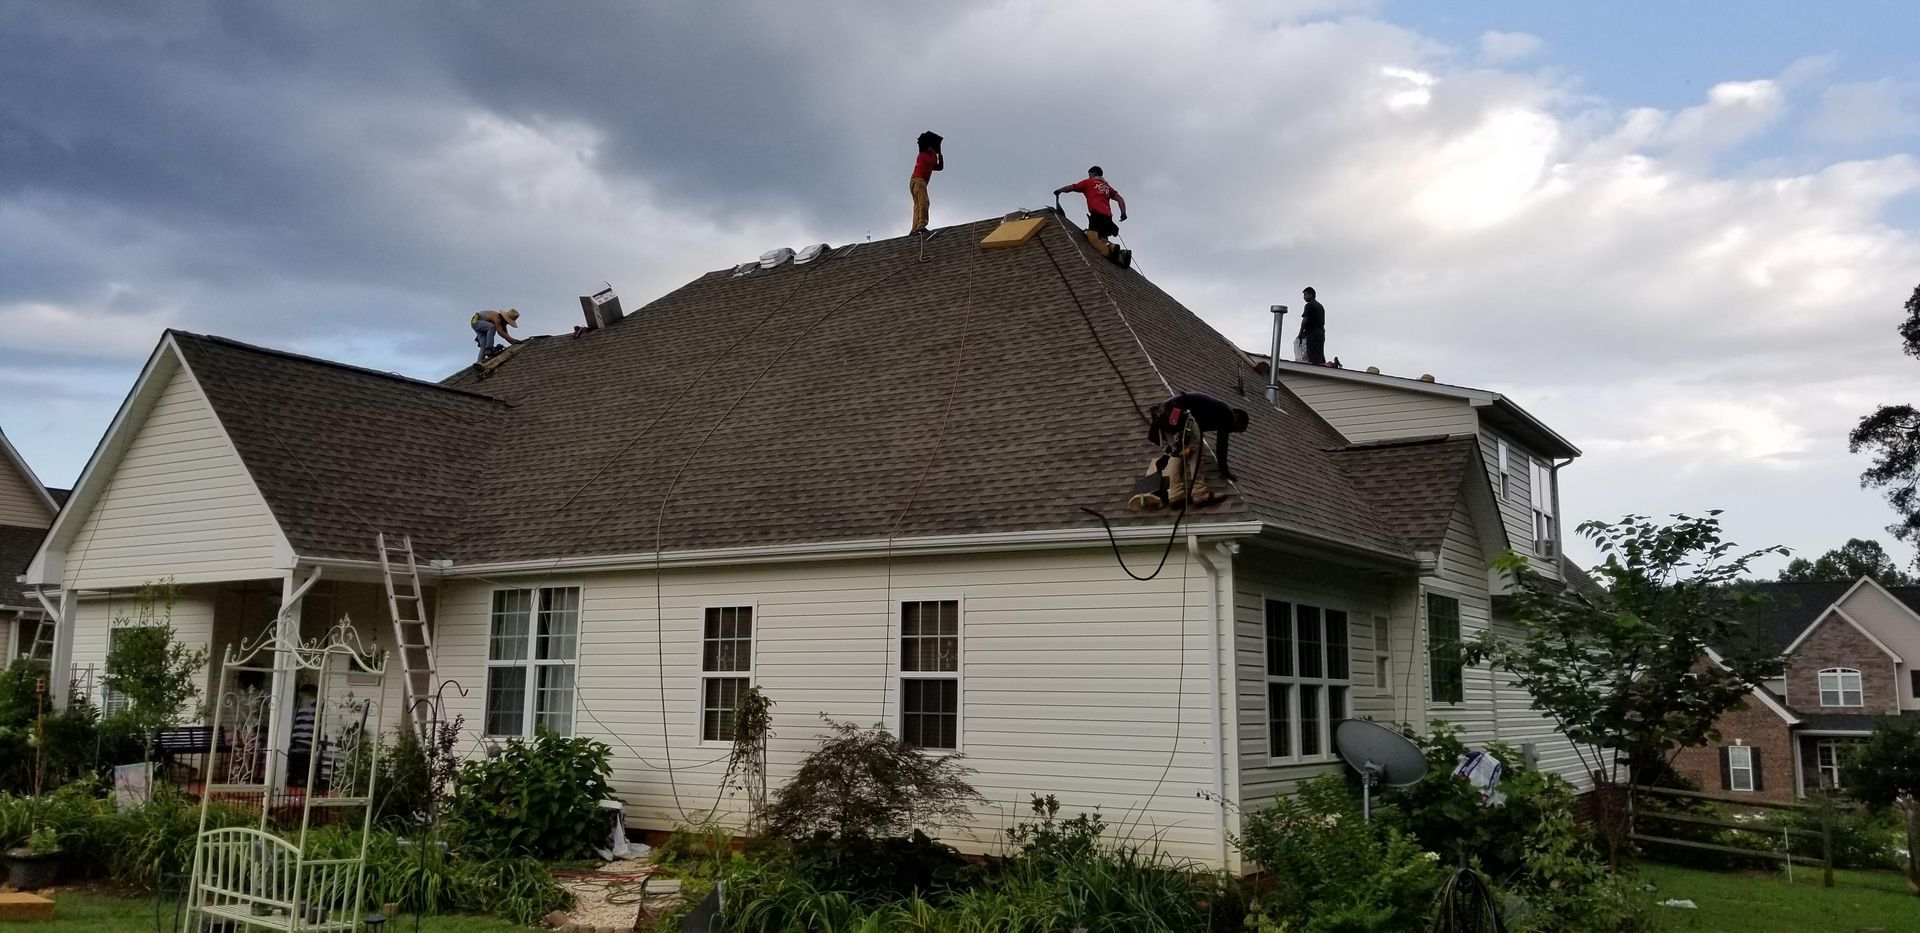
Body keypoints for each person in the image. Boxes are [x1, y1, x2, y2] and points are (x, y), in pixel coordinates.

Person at [1148, 391, 1249, 482]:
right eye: (1237, 429)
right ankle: (1198, 489)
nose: (1233, 431)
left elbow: (1189, 429)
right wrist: (1225, 471)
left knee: (1180, 447)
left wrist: (1170, 453)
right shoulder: (1228, 415)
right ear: (1236, 417)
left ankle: (1170, 477)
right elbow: (1221, 445)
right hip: (1176, 411)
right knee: (1196, 448)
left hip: (1167, 412)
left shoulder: (1217, 412)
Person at [1053, 166, 1128, 258]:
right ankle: (1115, 250)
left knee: (1093, 238)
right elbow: (1120, 199)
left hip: (1097, 215)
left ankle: (1109, 253)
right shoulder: (1107, 187)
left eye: (1089, 174)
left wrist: (1059, 190)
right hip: (1108, 218)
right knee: (1102, 238)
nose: (1089, 177)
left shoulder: (1088, 182)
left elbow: (1073, 187)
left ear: (1094, 174)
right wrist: (1123, 213)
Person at [909, 131, 944, 235]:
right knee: (924, 202)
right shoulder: (924, 155)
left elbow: (939, 167)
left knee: (918, 205)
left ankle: (915, 228)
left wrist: (940, 155)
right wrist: (934, 151)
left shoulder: (924, 158)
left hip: (914, 181)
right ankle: (921, 225)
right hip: (919, 180)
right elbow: (934, 161)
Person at [287, 683, 317, 788]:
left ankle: (299, 779)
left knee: (299, 757)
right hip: (297, 741)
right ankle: (294, 777)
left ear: (311, 699)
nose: (300, 701)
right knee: (292, 755)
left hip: (306, 743)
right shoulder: (299, 711)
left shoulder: (313, 712)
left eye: (302, 698)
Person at [1297, 287, 1326, 366]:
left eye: (1305, 295)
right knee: (1319, 355)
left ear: (1311, 295)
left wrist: (1300, 333)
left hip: (1312, 333)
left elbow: (1305, 320)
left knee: (1312, 356)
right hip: (1321, 333)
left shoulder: (1309, 305)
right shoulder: (1320, 306)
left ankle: (1315, 369)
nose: (1304, 297)